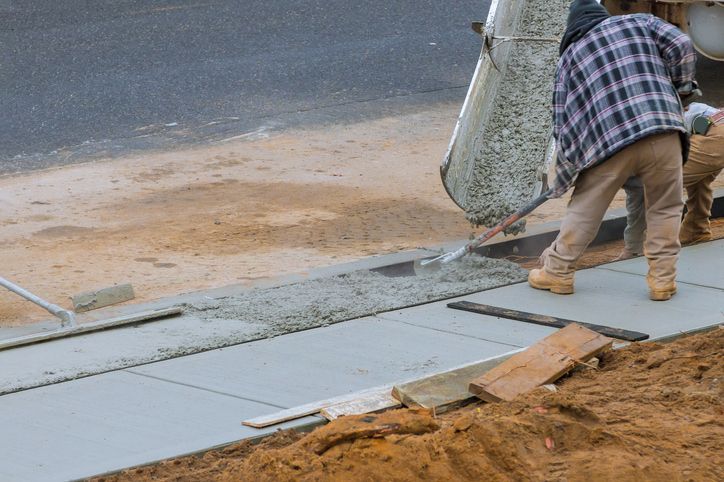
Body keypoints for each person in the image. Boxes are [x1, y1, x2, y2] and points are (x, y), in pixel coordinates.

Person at [528, 0, 698, 301]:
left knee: (585, 208)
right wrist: (681, 86)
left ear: (573, 30)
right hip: (663, 129)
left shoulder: (569, 59)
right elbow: (682, 42)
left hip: (608, 143)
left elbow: (563, 124)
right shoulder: (640, 23)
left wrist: (566, 175)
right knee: (665, 207)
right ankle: (662, 281)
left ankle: (557, 273)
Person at [619, 102, 724, 259]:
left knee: (656, 184)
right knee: (697, 176)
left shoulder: (636, 133)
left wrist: (632, 245)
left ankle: (644, 248)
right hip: (712, 126)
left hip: (713, 133)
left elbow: (640, 191)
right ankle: (696, 230)